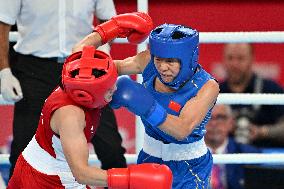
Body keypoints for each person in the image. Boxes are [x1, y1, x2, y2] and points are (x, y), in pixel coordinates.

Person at [73, 18, 220, 188]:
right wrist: (107, 31)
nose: (163, 67)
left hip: (189, 167)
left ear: (188, 59)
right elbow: (110, 68)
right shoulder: (149, 61)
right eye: (159, 60)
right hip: (149, 159)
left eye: (170, 61)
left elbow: (182, 130)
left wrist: (147, 107)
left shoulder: (206, 86)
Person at [7, 44, 173, 188]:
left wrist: (111, 29)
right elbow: (81, 173)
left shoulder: (93, 72)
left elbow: (137, 63)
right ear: (88, 95)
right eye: (109, 89)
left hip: (63, 170)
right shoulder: (71, 116)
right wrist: (131, 178)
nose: (115, 88)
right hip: (44, 179)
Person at [0, 0, 127, 179]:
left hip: (85, 68)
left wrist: (103, 50)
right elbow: (2, 22)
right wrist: (3, 70)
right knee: (23, 150)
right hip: (34, 70)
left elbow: (108, 20)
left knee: (111, 149)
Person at [219, 43, 284, 148]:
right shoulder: (214, 92)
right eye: (230, 58)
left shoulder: (271, 89)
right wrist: (222, 127)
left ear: (252, 59)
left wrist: (262, 132)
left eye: (241, 58)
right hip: (226, 161)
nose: (234, 64)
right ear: (223, 60)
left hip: (266, 160)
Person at [205, 104, 260, 189]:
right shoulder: (184, 155)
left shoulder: (249, 155)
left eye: (220, 117)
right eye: (207, 117)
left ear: (231, 123)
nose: (214, 123)